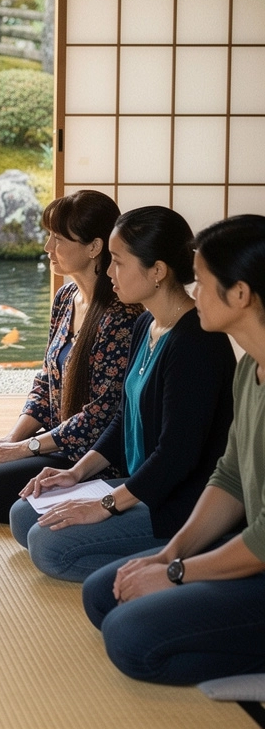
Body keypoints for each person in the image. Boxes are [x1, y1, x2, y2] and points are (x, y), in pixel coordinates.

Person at [82, 214, 265, 685]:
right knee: (104, 594)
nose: (193, 291)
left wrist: (179, 572)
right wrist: (169, 557)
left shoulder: (200, 347)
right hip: (244, 548)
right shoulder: (251, 370)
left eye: (202, 282)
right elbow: (229, 478)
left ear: (240, 294)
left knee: (130, 638)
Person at [10, 206, 235, 582]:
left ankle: (184, 564)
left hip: (178, 498)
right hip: (141, 483)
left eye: (117, 262)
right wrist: (76, 475)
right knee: (24, 516)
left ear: (158, 271)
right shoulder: (146, 322)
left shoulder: (196, 342)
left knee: (49, 546)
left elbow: (176, 456)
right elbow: (121, 417)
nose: (109, 273)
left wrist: (106, 505)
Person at [0, 190, 142, 523]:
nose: (47, 248)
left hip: (92, 454)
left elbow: (101, 417)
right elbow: (45, 382)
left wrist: (27, 448)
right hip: (55, 439)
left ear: (94, 247)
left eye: (58, 239)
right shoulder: (66, 296)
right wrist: (13, 439)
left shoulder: (120, 315)